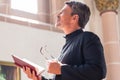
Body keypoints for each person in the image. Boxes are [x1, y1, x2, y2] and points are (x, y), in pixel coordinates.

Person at [23, 1, 106, 80]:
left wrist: (61, 69)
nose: (57, 15)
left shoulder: (88, 37)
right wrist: (39, 78)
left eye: (62, 12)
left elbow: (98, 71)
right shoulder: (65, 47)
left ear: (74, 18)